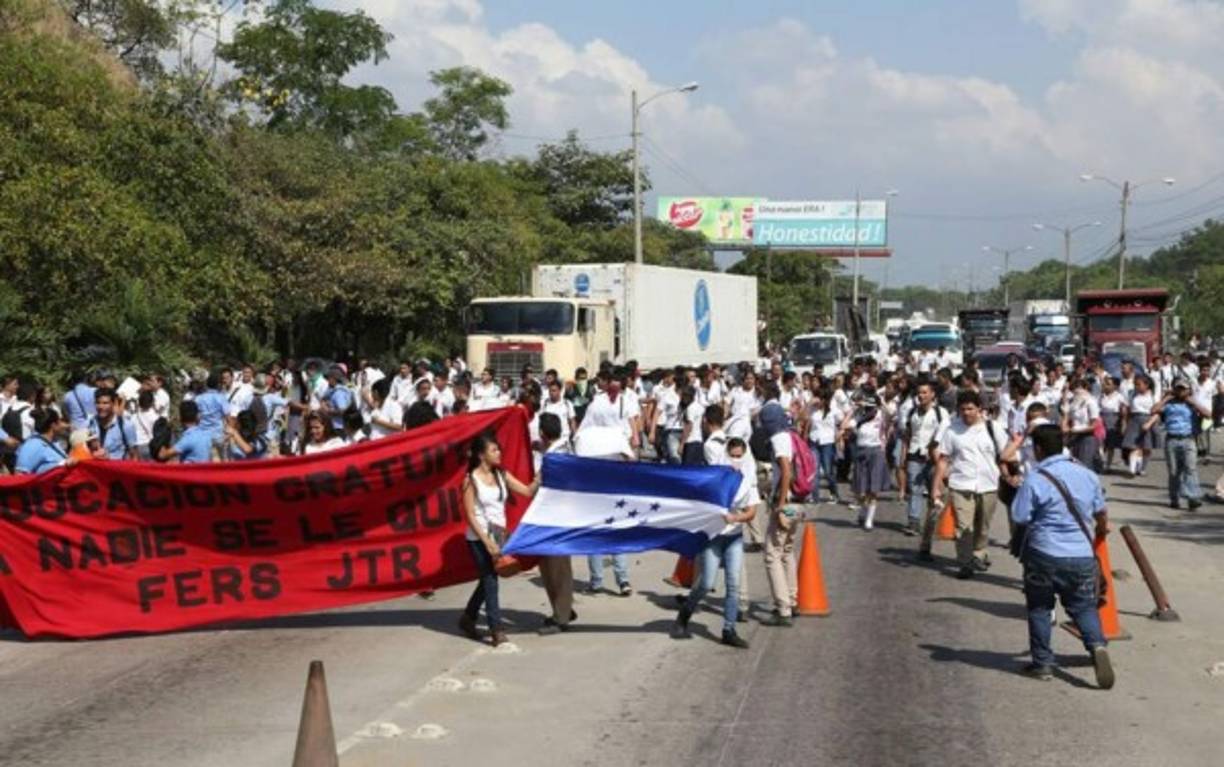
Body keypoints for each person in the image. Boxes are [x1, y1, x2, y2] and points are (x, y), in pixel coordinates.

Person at [1009, 424, 1115, 689]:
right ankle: (1097, 646)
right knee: (1083, 606)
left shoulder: (1036, 478)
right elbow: (1101, 513)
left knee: (1040, 608)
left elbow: (1019, 516)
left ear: (1039, 449)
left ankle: (1043, 663)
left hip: (1043, 553)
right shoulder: (1087, 475)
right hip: (1081, 554)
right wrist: (1098, 533)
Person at [672, 436, 759, 648]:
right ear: (725, 454)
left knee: (733, 584)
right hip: (713, 537)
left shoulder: (747, 481)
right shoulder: (711, 479)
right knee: (706, 583)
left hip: (734, 537)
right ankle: (684, 614)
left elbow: (751, 512)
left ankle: (729, 629)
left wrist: (735, 518)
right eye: (733, 456)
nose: (736, 460)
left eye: (740, 456)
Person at [459, 432, 539, 646]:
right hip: (478, 538)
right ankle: (496, 630)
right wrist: (486, 541)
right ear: (481, 455)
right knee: (491, 582)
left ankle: (468, 617)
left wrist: (542, 473)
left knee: (488, 579)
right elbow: (470, 515)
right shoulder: (470, 480)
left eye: (498, 449)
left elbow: (527, 491)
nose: (499, 453)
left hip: (499, 535)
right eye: (493, 450)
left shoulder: (502, 475)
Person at [931, 390, 1009, 577]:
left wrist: (1008, 475)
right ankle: (965, 562)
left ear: (979, 409)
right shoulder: (952, 430)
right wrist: (936, 487)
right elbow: (943, 460)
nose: (966, 412)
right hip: (961, 484)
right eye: (963, 409)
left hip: (988, 484)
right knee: (963, 526)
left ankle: (979, 553)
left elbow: (1005, 454)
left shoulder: (993, 428)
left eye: (970, 409)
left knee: (982, 526)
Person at [535, 413, 577, 636]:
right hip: (557, 518)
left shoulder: (555, 458)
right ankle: (563, 609)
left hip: (556, 519)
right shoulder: (562, 450)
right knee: (552, 567)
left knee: (557, 569)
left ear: (542, 434)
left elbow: (540, 486)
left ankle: (562, 616)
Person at [759, 382, 797, 627]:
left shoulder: (779, 440)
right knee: (786, 550)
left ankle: (783, 609)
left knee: (772, 553)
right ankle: (792, 599)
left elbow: (786, 470)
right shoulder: (790, 435)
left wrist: (780, 504)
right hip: (798, 500)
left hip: (788, 500)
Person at [1145, 379, 1210, 511]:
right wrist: (1165, 398)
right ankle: (1174, 497)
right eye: (1178, 388)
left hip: (1188, 439)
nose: (1181, 391)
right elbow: (1153, 411)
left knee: (1190, 469)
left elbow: (1208, 414)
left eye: (1183, 389)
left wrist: (1193, 402)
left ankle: (1193, 498)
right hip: (1172, 439)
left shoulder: (1192, 404)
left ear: (1188, 390)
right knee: (1174, 471)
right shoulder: (1169, 404)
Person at [902, 381, 949, 538]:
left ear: (932, 394)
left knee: (935, 492)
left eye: (924, 392)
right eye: (919, 393)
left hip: (934, 457)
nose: (921, 396)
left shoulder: (940, 413)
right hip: (915, 454)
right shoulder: (912, 413)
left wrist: (934, 446)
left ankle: (935, 523)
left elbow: (944, 431)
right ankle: (913, 522)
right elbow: (908, 435)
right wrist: (904, 456)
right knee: (914, 488)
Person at [839, 387, 889, 530]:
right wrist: (853, 410)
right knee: (860, 489)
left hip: (876, 451)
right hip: (861, 452)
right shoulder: (859, 417)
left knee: (873, 489)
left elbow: (891, 414)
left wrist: (881, 402)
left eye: (871, 407)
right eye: (867, 407)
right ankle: (864, 510)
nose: (869, 410)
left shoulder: (880, 414)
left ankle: (869, 520)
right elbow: (844, 425)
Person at [14, 408, 74, 474]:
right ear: (53, 425)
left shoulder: (53, 442)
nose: (62, 425)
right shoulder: (32, 446)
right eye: (60, 422)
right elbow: (20, 475)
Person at [87, 388, 138, 461]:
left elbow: (134, 455)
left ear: (113, 404)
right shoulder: (90, 423)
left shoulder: (126, 425)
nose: (101, 407)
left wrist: (109, 458)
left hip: (116, 470)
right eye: (98, 403)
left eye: (105, 403)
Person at [1121, 375, 1157, 477]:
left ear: (1147, 385)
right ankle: (1131, 470)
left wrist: (1149, 423)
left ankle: (1142, 468)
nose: (1136, 386)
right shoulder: (1132, 393)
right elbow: (1126, 408)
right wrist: (1124, 422)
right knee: (1133, 446)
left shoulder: (1153, 396)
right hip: (1134, 419)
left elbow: (1157, 413)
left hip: (1148, 419)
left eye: (1139, 384)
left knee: (1146, 447)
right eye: (1135, 384)